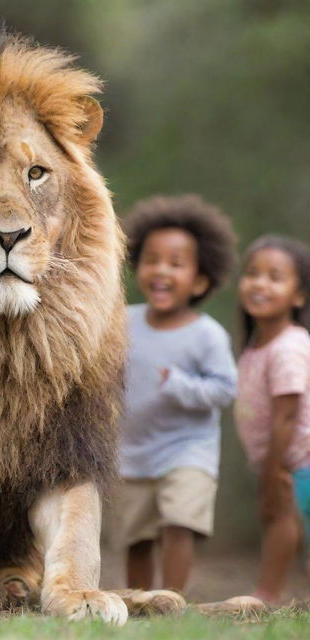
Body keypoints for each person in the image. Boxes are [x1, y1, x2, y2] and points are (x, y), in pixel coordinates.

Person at [117, 194, 237, 592]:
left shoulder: (206, 335)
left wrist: (182, 386)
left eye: (176, 263)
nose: (160, 271)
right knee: (136, 536)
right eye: (152, 260)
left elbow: (224, 390)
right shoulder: (122, 323)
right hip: (131, 453)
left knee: (179, 523)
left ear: (200, 280)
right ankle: (139, 600)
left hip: (188, 449)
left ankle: (170, 598)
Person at [234, 235, 310, 605]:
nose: (260, 283)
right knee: (286, 523)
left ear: (299, 296)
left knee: (281, 520)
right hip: (284, 463)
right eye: (252, 274)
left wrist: (274, 469)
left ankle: (268, 592)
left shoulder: (289, 346)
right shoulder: (256, 346)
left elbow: (287, 414)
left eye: (275, 277)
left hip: (298, 462)